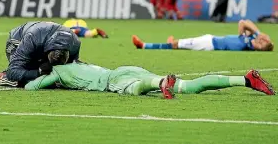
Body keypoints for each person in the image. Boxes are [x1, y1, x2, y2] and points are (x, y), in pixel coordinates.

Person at [24, 63, 275, 98]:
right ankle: (244, 80)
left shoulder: (57, 72)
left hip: (113, 80)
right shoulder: (79, 63)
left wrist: (41, 76)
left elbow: (31, 87)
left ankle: (160, 84)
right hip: (127, 68)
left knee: (133, 92)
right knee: (189, 86)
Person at [0, 21, 82, 87]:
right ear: (47, 50)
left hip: (40, 41)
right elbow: (13, 71)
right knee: (37, 80)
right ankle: (2, 78)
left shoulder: (75, 43)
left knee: (58, 81)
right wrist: (38, 72)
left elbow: (72, 69)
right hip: (17, 42)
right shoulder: (32, 39)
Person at [132, 19, 274, 52]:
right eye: (261, 41)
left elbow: (244, 23)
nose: (259, 41)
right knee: (177, 44)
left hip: (209, 44)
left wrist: (257, 36)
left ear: (260, 49)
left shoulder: (246, 45)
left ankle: (144, 45)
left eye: (261, 44)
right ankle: (174, 42)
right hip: (210, 39)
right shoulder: (248, 38)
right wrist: (259, 33)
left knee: (175, 46)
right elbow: (243, 22)